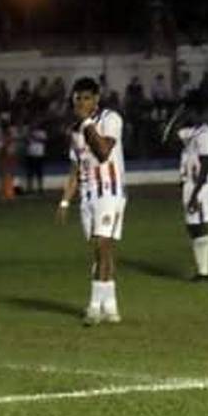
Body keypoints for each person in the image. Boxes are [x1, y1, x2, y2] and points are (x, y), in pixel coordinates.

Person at [55, 76, 126, 325]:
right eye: (78, 98)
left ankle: (94, 308)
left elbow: (103, 152)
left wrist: (87, 122)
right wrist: (65, 201)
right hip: (87, 195)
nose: (81, 102)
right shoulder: (75, 131)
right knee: (101, 252)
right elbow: (75, 170)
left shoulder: (110, 119)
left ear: (96, 99)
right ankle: (111, 307)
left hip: (110, 191)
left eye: (86, 98)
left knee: (101, 245)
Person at [165, 91, 208, 281]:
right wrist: (178, 115)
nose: (188, 115)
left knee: (199, 225)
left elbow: (206, 164)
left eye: (190, 112)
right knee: (192, 226)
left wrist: (195, 194)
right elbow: (167, 138)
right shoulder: (191, 132)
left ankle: (204, 272)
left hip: (201, 184)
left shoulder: (205, 134)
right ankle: (201, 270)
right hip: (190, 183)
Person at [24, 123, 47, 194]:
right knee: (30, 172)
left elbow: (44, 141)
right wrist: (30, 137)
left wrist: (35, 137)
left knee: (39, 172)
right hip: (30, 154)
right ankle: (29, 188)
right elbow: (26, 142)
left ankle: (40, 188)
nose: (34, 126)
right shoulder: (28, 133)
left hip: (39, 154)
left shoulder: (42, 133)